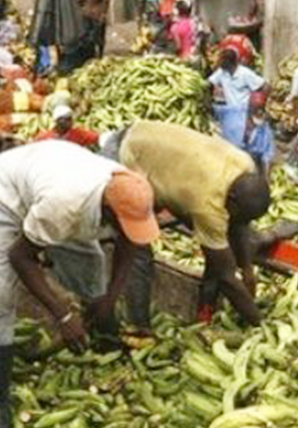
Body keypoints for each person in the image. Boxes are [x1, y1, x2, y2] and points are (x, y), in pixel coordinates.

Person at [0, 141, 158, 428]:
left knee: (93, 264)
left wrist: (109, 299)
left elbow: (130, 243)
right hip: (6, 196)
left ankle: (102, 341)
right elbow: (20, 256)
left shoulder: (130, 189)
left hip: (52, 179)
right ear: (107, 211)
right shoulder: (65, 206)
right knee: (3, 297)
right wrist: (62, 314)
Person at [117, 121, 275, 326]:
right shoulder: (207, 205)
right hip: (129, 155)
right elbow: (226, 277)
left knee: (221, 237)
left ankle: (205, 307)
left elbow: (239, 225)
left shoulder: (245, 164)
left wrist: (247, 269)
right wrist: (260, 324)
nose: (240, 221)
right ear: (232, 199)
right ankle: (138, 326)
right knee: (137, 250)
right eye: (240, 214)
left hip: (152, 136)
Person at [209, 48, 266, 146]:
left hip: (245, 112)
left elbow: (265, 86)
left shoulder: (245, 73)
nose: (219, 63)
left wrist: (259, 105)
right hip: (231, 113)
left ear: (229, 62)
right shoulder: (222, 72)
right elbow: (209, 83)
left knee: (245, 143)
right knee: (231, 142)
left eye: (222, 61)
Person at [34, 105, 99, 147]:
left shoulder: (78, 134)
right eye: (66, 119)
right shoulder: (46, 137)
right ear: (57, 121)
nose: (69, 122)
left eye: (70, 119)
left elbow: (95, 137)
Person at [243, 93, 275, 176]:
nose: (259, 111)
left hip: (254, 162)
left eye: (261, 108)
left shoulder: (265, 129)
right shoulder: (240, 122)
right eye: (256, 108)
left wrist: (265, 174)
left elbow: (267, 154)